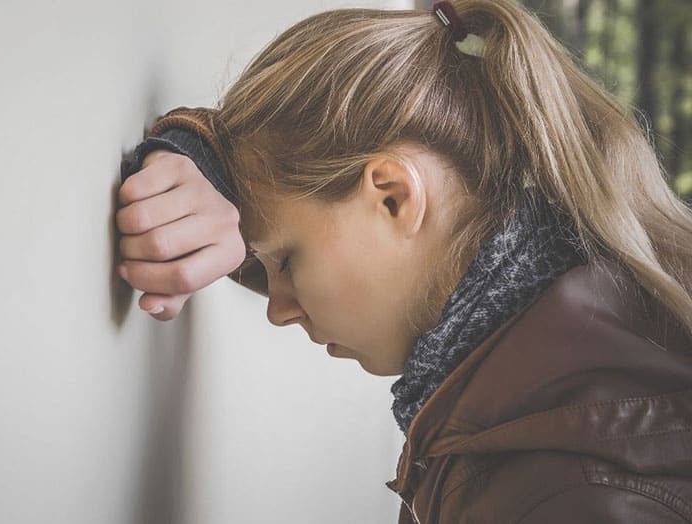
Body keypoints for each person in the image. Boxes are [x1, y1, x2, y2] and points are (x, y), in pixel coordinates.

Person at [116, 0, 692, 521]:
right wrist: (201, 157)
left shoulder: (566, 494)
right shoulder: (571, 346)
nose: (278, 310)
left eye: (286, 262)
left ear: (394, 197)